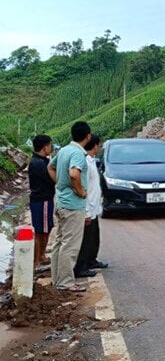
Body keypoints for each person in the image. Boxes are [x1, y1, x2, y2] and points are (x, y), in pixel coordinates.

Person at [48, 121, 92, 292]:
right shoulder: (78, 154)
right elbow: (74, 174)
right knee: (70, 244)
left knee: (60, 242)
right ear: (88, 136)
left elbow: (50, 167)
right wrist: (80, 191)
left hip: (60, 200)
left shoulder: (64, 150)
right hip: (72, 205)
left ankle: (57, 279)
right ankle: (66, 282)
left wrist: (60, 184)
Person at [75, 135, 108, 278]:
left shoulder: (92, 161)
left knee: (94, 236)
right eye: (98, 145)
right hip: (88, 206)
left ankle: (91, 260)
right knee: (86, 239)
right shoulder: (85, 163)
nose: (99, 148)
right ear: (94, 146)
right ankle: (81, 266)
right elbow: (83, 186)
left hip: (94, 206)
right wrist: (87, 210)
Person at [28, 134, 55, 269]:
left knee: (46, 228)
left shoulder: (40, 161)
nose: (51, 148)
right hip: (42, 200)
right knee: (41, 231)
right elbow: (51, 180)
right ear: (45, 147)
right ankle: (37, 259)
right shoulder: (39, 164)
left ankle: (41, 255)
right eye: (50, 145)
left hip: (43, 200)